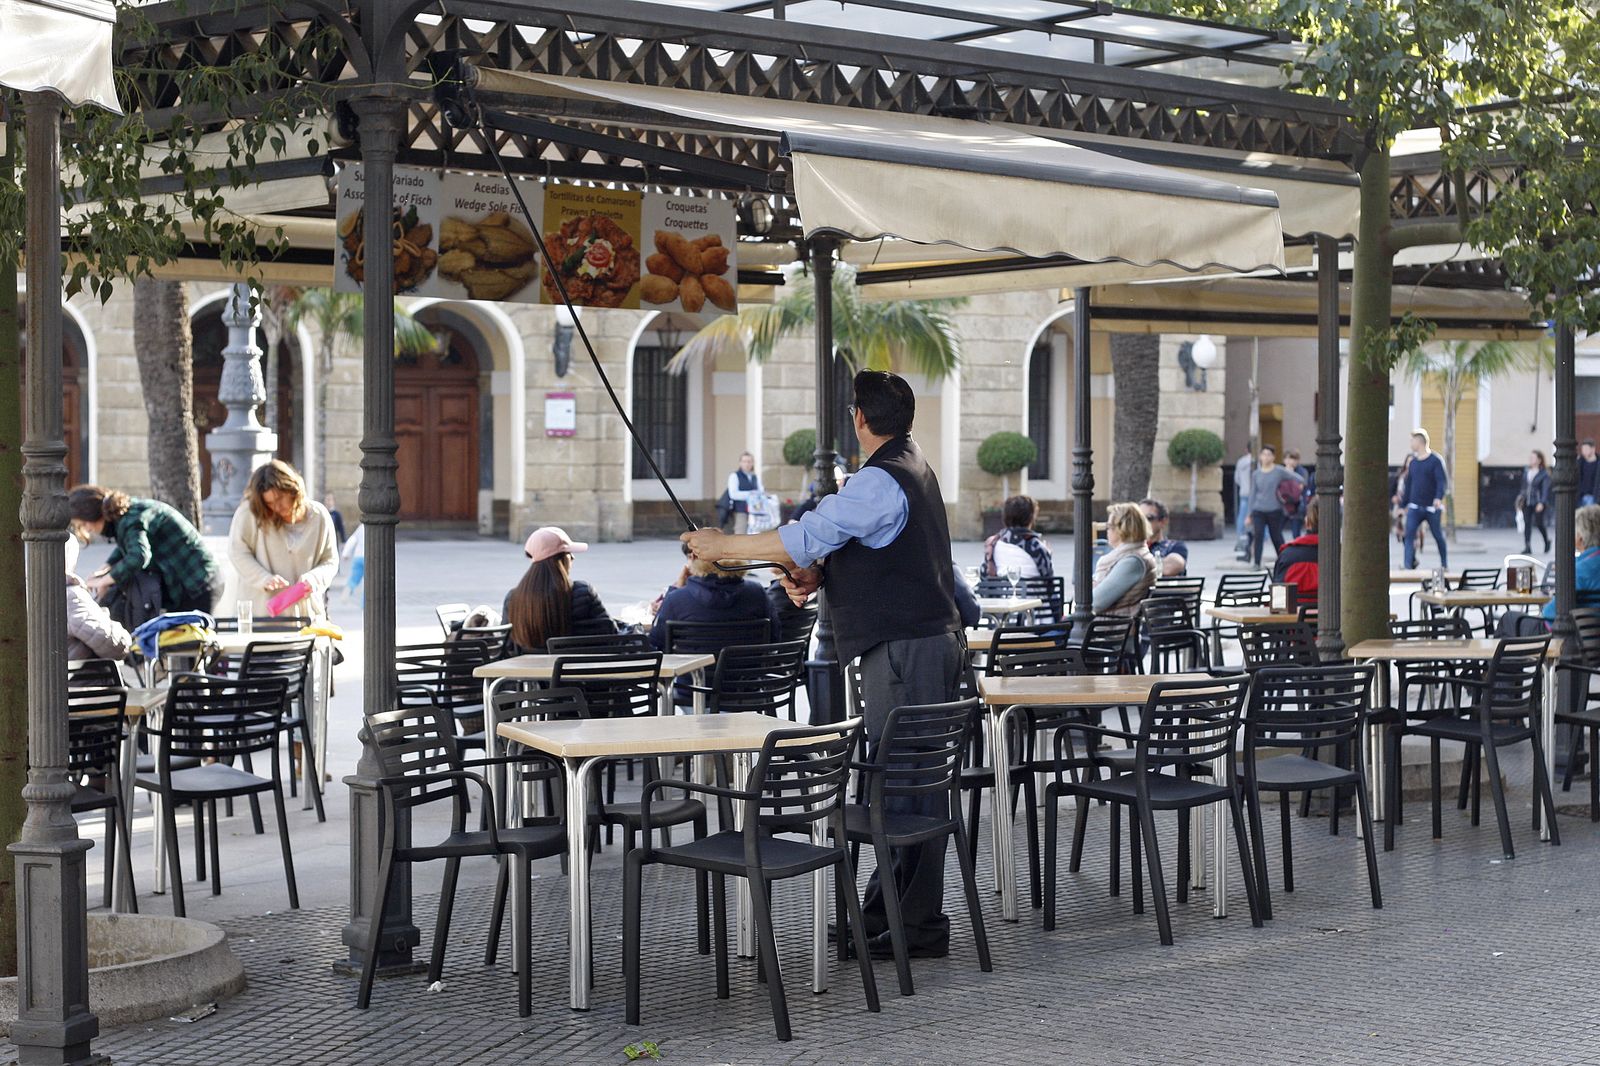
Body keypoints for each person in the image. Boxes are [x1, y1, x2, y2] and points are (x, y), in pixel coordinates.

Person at [682, 369, 962, 961]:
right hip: (917, 643)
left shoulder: (880, 480)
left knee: (906, 784)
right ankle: (890, 914)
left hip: (906, 648)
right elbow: (856, 546)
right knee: (902, 780)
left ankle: (916, 927)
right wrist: (818, 573)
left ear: (858, 418)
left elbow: (808, 534)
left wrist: (721, 547)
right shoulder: (909, 469)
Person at [69, 484, 223, 613]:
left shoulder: (131, 520)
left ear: (92, 514)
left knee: (191, 644)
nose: (86, 530)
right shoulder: (128, 514)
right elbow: (128, 547)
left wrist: (104, 581)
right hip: (194, 583)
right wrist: (105, 569)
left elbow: (139, 556)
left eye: (83, 524)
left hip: (197, 585)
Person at [228, 460, 340, 621]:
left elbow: (330, 561)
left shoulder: (319, 516)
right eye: (270, 503)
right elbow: (237, 552)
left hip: (306, 619)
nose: (277, 507)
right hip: (261, 617)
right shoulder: (251, 513)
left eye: (280, 498)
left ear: (293, 489)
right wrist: (264, 578)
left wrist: (314, 579)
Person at [651, 542, 779, 653]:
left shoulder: (677, 598)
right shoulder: (757, 593)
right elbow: (774, 636)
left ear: (693, 558)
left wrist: (676, 587)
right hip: (749, 677)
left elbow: (656, 641)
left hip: (693, 677)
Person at [503, 526, 613, 652]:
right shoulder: (583, 592)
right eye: (569, 553)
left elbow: (507, 645)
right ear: (561, 559)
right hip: (577, 668)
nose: (573, 557)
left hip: (529, 671)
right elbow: (610, 633)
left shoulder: (512, 599)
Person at [1497, 505, 1600, 635]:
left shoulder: (1578, 569)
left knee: (1509, 619)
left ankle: (1502, 655)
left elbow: (1550, 613)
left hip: (1570, 636)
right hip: (1591, 634)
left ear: (1580, 539)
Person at [64, 535, 132, 662]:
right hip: (82, 679)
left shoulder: (27, 594)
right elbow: (115, 647)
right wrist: (108, 622)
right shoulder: (71, 598)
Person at [1091, 503, 1158, 617]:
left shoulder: (1132, 562)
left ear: (1122, 529)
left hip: (1108, 630)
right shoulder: (1135, 555)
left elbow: (1093, 603)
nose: (1107, 531)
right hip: (1106, 627)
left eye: (1109, 526)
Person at [1244, 444, 1304, 568]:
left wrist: (1300, 485)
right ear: (1260, 456)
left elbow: (1299, 478)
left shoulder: (1278, 471)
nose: (1266, 457)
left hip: (1274, 509)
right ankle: (1256, 563)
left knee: (1276, 537)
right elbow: (1252, 494)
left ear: (1273, 457)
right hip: (1258, 510)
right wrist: (1249, 514)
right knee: (1258, 536)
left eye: (1269, 455)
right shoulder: (1256, 474)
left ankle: (1284, 560)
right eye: (1264, 454)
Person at [1400, 429, 1449, 570]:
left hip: (1431, 508)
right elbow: (1409, 485)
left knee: (1437, 535)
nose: (1411, 443)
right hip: (1415, 507)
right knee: (1409, 535)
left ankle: (1444, 564)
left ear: (1420, 442)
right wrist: (1404, 505)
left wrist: (1438, 498)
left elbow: (1441, 482)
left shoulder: (1435, 461)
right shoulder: (1414, 463)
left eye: (1412, 440)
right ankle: (1408, 566)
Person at [981, 494, 1054, 579]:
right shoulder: (1035, 546)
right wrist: (1047, 554)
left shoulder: (993, 544)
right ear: (1030, 518)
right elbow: (1049, 580)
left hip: (1002, 592)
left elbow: (984, 575)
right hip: (1031, 592)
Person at [1272, 496, 1320, 595]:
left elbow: (1278, 599)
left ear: (1307, 522)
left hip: (1294, 609)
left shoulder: (1287, 554)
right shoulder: (1342, 555)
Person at [1139, 498, 1188, 577]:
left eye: (1149, 518)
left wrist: (1134, 566)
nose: (1143, 522)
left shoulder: (1174, 546)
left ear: (1163, 522)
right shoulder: (1129, 545)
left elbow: (1171, 568)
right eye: (1139, 518)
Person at [1519, 449, 1553, 555]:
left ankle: (1546, 541)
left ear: (1539, 460)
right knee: (1527, 523)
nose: (1531, 459)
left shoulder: (1544, 474)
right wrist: (1520, 500)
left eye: (1533, 458)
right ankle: (1527, 546)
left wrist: (1541, 502)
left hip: (1537, 502)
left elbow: (1545, 490)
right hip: (1527, 502)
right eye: (1530, 457)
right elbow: (1523, 488)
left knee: (1539, 523)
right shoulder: (1526, 472)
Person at [726, 452, 765, 534]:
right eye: (744, 461)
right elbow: (733, 494)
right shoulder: (734, 476)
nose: (747, 464)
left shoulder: (755, 477)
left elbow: (761, 491)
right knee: (740, 533)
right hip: (741, 511)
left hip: (756, 511)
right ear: (740, 463)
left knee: (755, 534)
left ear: (752, 463)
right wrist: (750, 494)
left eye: (749, 461)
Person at [1282, 449, 1312, 538]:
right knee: (1277, 530)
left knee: (1296, 532)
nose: (1289, 461)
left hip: (1297, 505)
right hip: (1284, 504)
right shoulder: (1281, 471)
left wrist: (1290, 473)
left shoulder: (1302, 471)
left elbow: (1300, 487)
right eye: (1287, 459)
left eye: (1292, 459)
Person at [1233, 449, 1255, 560]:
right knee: (1256, 516)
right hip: (1255, 493)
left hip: (1244, 491)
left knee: (1242, 515)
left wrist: (1243, 485)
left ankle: (1240, 536)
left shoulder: (1241, 462)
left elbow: (1236, 478)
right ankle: (1261, 537)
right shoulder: (1258, 461)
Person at [1580, 440, 1600, 508]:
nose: (1583, 451)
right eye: (1583, 449)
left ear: (1593, 449)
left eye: (1586, 449)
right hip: (1580, 497)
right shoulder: (1580, 463)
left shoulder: (1598, 463)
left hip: (1594, 497)